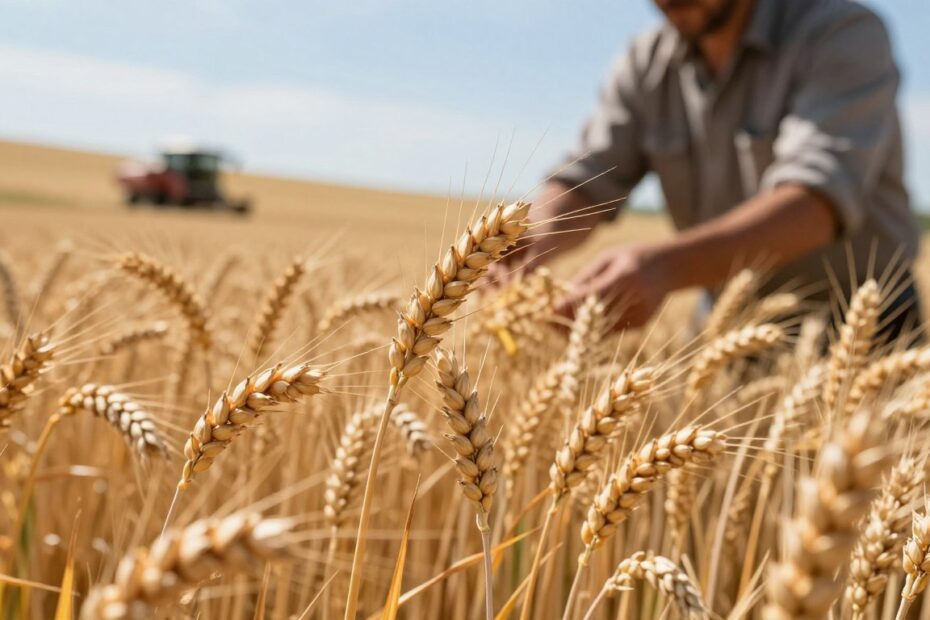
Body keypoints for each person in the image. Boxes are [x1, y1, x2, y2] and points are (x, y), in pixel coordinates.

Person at [502, 0, 922, 336]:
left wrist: (661, 269)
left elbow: (816, 203)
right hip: (728, 325)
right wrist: (531, 239)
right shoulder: (645, 63)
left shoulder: (842, 33)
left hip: (867, 330)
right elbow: (588, 179)